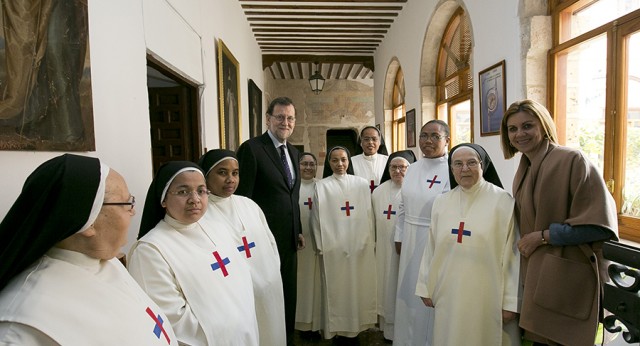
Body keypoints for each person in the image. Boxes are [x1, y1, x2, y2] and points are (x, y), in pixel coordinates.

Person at [0, 154, 178, 345]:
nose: (133, 212)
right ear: (88, 222)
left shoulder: (105, 261)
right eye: (127, 203)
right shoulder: (23, 325)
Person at [500, 99, 618, 346]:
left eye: (527, 126)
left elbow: (599, 226)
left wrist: (543, 236)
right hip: (540, 276)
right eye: (513, 129)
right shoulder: (524, 168)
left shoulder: (573, 160)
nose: (520, 133)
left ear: (543, 126)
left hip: (569, 276)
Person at [128, 161, 258, 345]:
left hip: (244, 335)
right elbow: (172, 319)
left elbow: (241, 281)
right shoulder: (150, 251)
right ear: (163, 199)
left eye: (201, 190)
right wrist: (225, 333)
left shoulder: (218, 228)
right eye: (183, 191)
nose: (195, 199)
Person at [415, 143, 520, 345]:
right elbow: (431, 247)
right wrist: (425, 286)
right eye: (458, 164)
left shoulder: (503, 201)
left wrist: (510, 301)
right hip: (448, 291)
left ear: (483, 166)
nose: (464, 169)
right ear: (451, 168)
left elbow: (512, 255)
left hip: (488, 293)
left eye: (472, 163)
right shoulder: (441, 202)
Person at [199, 149, 286, 346]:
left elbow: (270, 243)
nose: (230, 179)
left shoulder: (249, 205)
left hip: (267, 288)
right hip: (234, 295)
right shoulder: (202, 213)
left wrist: (271, 275)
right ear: (206, 175)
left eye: (235, 173)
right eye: (222, 172)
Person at [236, 96, 305, 345]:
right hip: (259, 241)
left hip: (288, 240)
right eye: (279, 117)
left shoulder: (295, 152)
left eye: (290, 118)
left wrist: (297, 230)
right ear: (268, 119)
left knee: (287, 295)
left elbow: (292, 195)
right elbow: (242, 198)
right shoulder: (252, 149)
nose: (285, 122)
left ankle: (285, 338)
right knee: (265, 297)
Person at [394, 119, 451, 346]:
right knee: (409, 295)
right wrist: (399, 236)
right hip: (409, 238)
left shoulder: (453, 168)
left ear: (447, 140)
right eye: (424, 135)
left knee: (430, 295)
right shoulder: (414, 167)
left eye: (435, 136)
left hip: (434, 241)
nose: (428, 141)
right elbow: (402, 206)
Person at [311, 146, 377, 340]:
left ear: (349, 161)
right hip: (334, 248)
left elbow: (368, 214)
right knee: (337, 290)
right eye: (334, 160)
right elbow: (316, 218)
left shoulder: (361, 184)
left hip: (359, 246)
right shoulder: (322, 186)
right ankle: (337, 329)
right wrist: (322, 245)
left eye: (343, 160)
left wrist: (369, 240)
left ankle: (358, 326)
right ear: (329, 163)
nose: (340, 164)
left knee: (359, 287)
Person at [371, 150, 416, 341]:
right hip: (383, 249)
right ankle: (387, 330)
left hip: (407, 250)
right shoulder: (378, 191)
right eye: (393, 167)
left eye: (403, 167)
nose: (398, 171)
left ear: (410, 169)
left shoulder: (415, 190)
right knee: (386, 286)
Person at [295, 152, 322, 335]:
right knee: (301, 283)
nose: (308, 167)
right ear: (298, 167)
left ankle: (317, 322)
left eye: (312, 164)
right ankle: (300, 323)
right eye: (304, 164)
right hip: (299, 244)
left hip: (318, 243)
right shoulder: (292, 188)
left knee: (317, 282)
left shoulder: (322, 187)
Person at [351, 126, 389, 193]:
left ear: (380, 142)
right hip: (360, 199)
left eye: (374, 139)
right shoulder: (351, 161)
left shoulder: (388, 161)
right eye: (366, 139)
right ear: (361, 142)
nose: (370, 142)